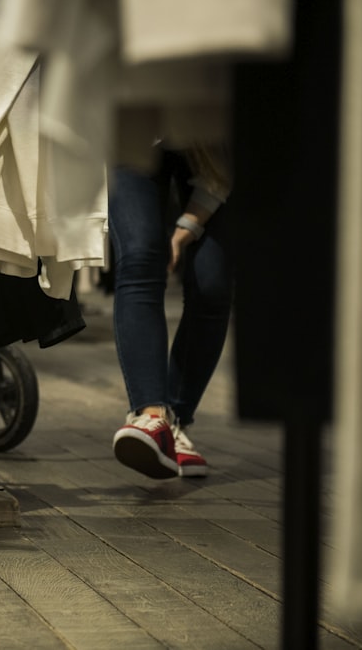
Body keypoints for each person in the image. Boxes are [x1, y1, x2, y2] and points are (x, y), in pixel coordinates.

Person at [109, 145, 235, 479]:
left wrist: (187, 228)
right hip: (135, 131)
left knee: (213, 284)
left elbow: (221, 174)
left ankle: (175, 420)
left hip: (214, 149)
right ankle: (151, 417)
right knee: (139, 258)